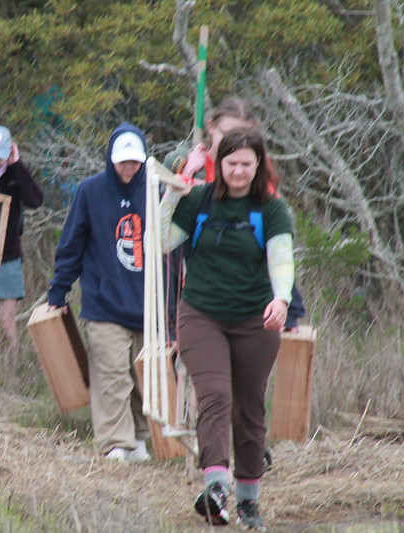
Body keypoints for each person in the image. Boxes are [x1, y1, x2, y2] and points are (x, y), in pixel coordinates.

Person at [160, 127, 294, 530]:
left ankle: (249, 504)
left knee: (249, 409)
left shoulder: (271, 208)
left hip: (257, 318)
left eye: (246, 164)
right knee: (215, 395)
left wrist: (281, 299)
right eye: (231, 163)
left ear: (258, 166)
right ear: (219, 165)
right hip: (202, 314)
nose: (238, 171)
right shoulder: (198, 200)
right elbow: (160, 240)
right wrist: (175, 189)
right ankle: (216, 488)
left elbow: (281, 258)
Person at [48, 123, 151, 463]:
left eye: (134, 162)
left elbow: (176, 249)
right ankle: (114, 443)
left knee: (142, 378)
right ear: (111, 158)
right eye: (123, 161)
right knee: (111, 374)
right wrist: (58, 292)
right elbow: (71, 245)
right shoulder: (90, 191)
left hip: (147, 305)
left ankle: (138, 439)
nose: (128, 168)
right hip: (103, 303)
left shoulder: (157, 190)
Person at [164, 97, 305, 333]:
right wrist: (187, 174)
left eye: (241, 132)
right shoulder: (194, 162)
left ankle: (291, 312)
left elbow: (274, 231)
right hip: (200, 272)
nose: (234, 139)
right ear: (211, 127)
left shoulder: (255, 168)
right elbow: (172, 210)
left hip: (247, 273)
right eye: (227, 132)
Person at [0, 125, 44, 358]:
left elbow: (35, 200)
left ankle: (12, 368)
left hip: (9, 254)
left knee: (7, 322)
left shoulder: (17, 171)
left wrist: (17, 166)